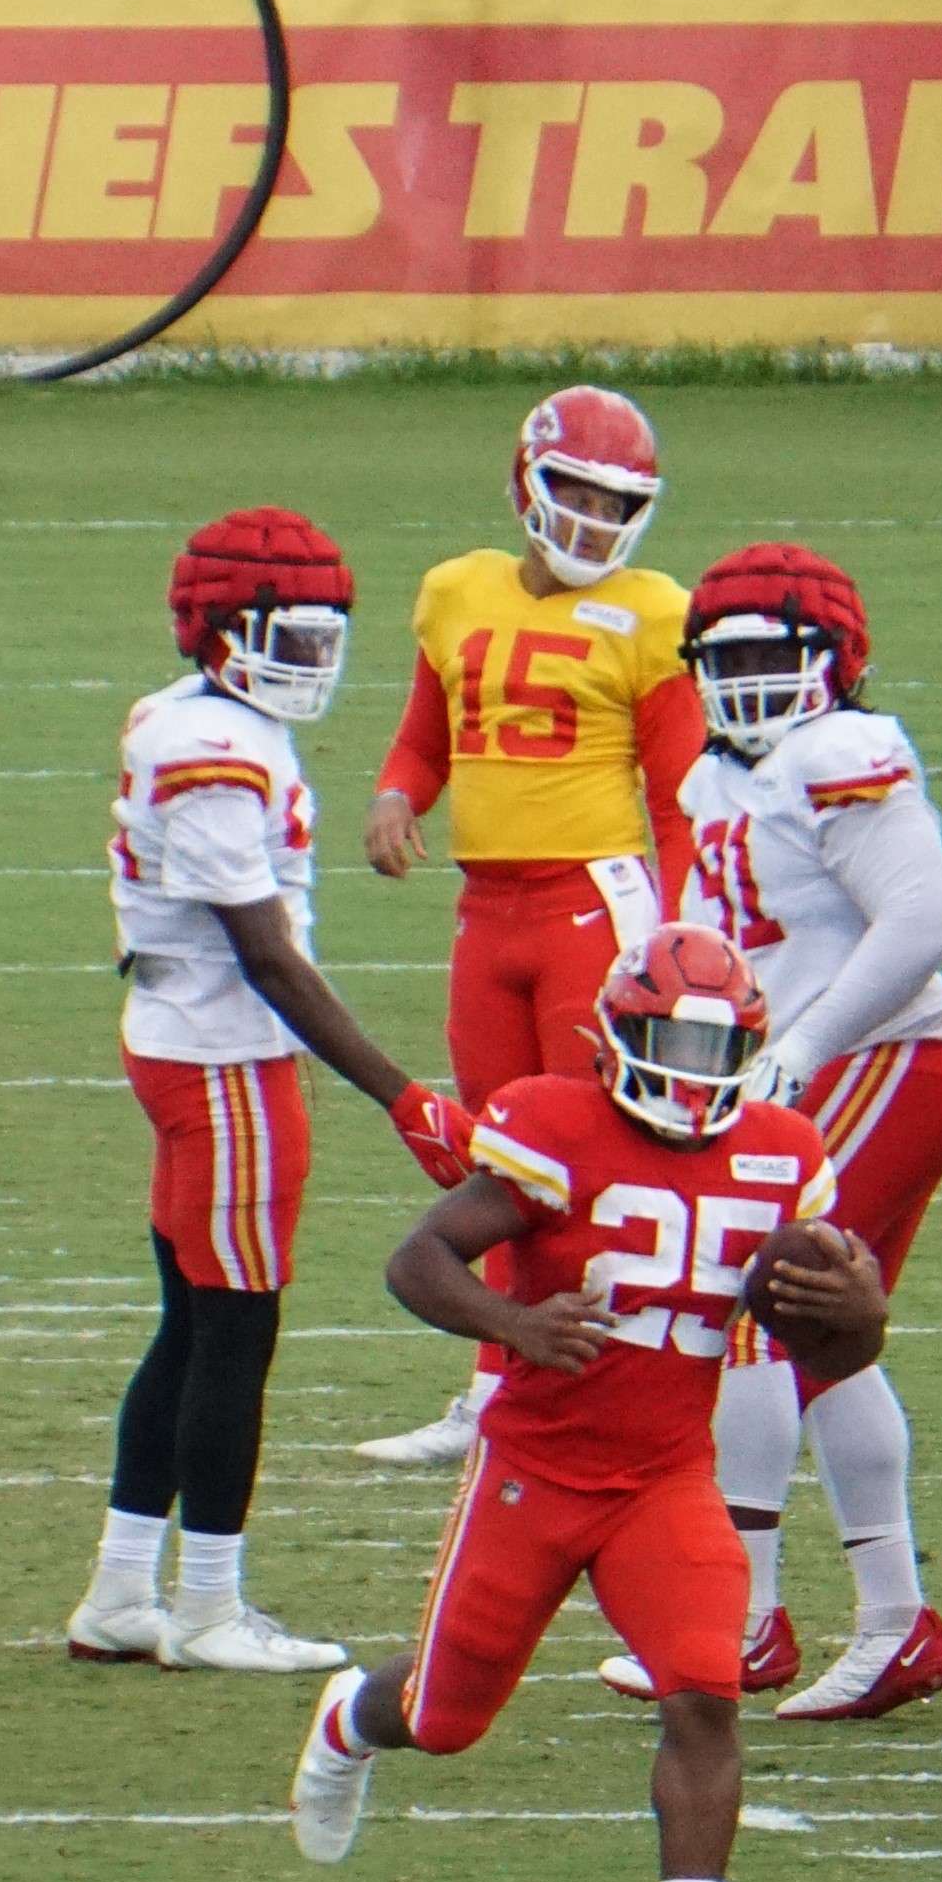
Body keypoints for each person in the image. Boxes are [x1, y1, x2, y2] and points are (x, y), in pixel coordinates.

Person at [287, 924, 881, 1882]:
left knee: (705, 1687)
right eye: (671, 1043)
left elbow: (835, 1354)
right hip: (536, 1469)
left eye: (716, 1052)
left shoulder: (782, 1153)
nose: (693, 1074)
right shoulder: (549, 1122)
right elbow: (416, 1259)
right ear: (615, 1035)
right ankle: (346, 1724)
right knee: (444, 1716)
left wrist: (859, 1321)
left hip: (663, 1474)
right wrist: (514, 1322)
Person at [65, 509, 474, 1673]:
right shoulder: (212, 745)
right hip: (224, 1055)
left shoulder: (193, 716)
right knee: (234, 1332)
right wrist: (404, 1096)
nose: (308, 663)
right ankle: (206, 1607)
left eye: (321, 637)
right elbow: (268, 956)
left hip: (185, 1039)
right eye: (283, 636)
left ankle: (119, 1592)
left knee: (191, 1322)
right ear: (218, 629)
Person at [597, 543, 942, 1717]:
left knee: (755, 1308)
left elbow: (918, 922)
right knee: (816, 1337)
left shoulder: (845, 752)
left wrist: (798, 1056)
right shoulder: (718, 779)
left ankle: (747, 1615)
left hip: (884, 1057)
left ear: (832, 662)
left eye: (776, 654)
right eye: (730, 659)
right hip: (795, 1075)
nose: (750, 679)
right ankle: (887, 1618)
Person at [355, 386, 706, 1467]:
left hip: (591, 906)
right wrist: (392, 794)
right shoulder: (455, 590)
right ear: (527, 480)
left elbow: (676, 792)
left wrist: (683, 934)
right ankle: (494, 1381)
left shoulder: (653, 613)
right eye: (578, 493)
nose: (595, 522)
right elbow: (425, 739)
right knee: (500, 1153)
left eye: (617, 503)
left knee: (588, 1151)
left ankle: (608, 1373)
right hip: (485, 909)